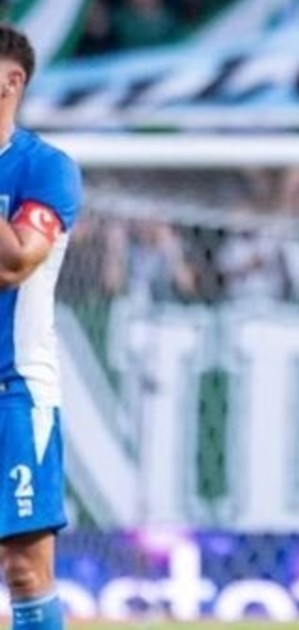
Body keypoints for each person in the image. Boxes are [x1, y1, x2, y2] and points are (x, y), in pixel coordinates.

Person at [0, 23, 85, 630]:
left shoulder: (46, 169)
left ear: (11, 81)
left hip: (13, 391)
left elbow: (13, 264)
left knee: (25, 570)